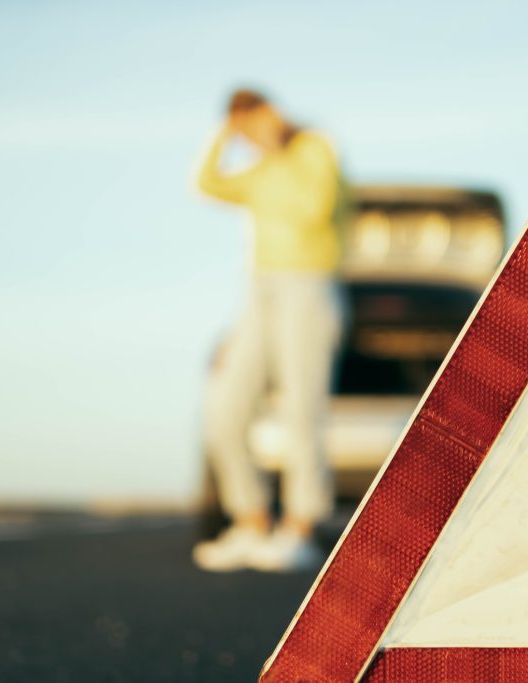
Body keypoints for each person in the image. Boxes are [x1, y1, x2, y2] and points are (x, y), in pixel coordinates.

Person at [192, 89, 345, 572]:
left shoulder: (313, 148)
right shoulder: (255, 171)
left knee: (303, 409)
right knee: (224, 407)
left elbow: (313, 208)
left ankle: (299, 528)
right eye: (242, 129)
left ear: (271, 113)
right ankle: (250, 522)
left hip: (308, 284)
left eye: (253, 122)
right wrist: (223, 133)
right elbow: (205, 183)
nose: (251, 136)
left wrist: (278, 144)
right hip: (258, 293)